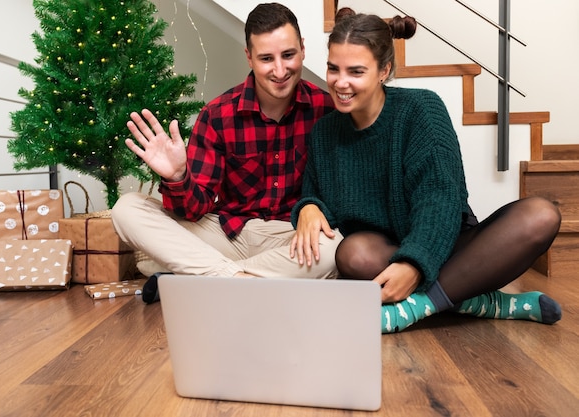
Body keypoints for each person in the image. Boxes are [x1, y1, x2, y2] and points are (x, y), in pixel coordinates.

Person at [290, 10, 562, 333]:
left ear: (384, 70)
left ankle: (418, 306)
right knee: (352, 253)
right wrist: (308, 207)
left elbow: (442, 199)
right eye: (333, 69)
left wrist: (415, 264)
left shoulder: (421, 108)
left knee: (542, 215)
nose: (340, 82)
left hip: (449, 245)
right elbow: (317, 193)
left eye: (356, 71)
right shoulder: (325, 132)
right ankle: (482, 301)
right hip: (385, 254)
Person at [112, 3, 341, 303]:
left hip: (292, 237)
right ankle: (237, 279)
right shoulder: (218, 115)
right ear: (249, 56)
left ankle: (196, 275)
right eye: (266, 59)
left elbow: (341, 194)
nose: (280, 70)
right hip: (227, 233)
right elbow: (194, 210)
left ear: (303, 49)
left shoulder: (328, 110)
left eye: (288, 55)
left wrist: (315, 210)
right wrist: (178, 176)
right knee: (126, 209)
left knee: (337, 249)